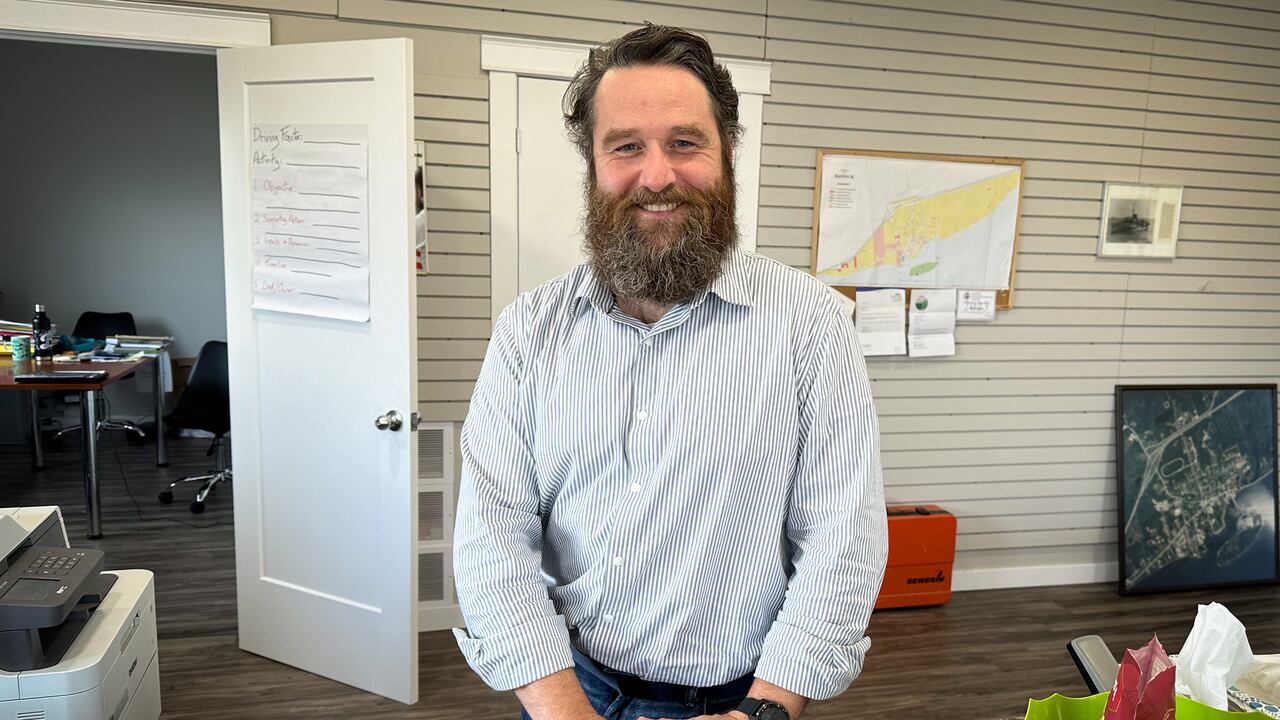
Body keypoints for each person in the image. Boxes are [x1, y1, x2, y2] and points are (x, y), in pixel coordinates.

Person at [452, 24, 886, 720]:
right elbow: (491, 538)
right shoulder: (528, 334)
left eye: (684, 143)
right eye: (626, 147)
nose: (657, 175)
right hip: (574, 687)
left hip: (749, 697)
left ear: (728, 152)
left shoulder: (811, 324)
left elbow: (843, 538)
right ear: (592, 162)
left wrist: (766, 711)